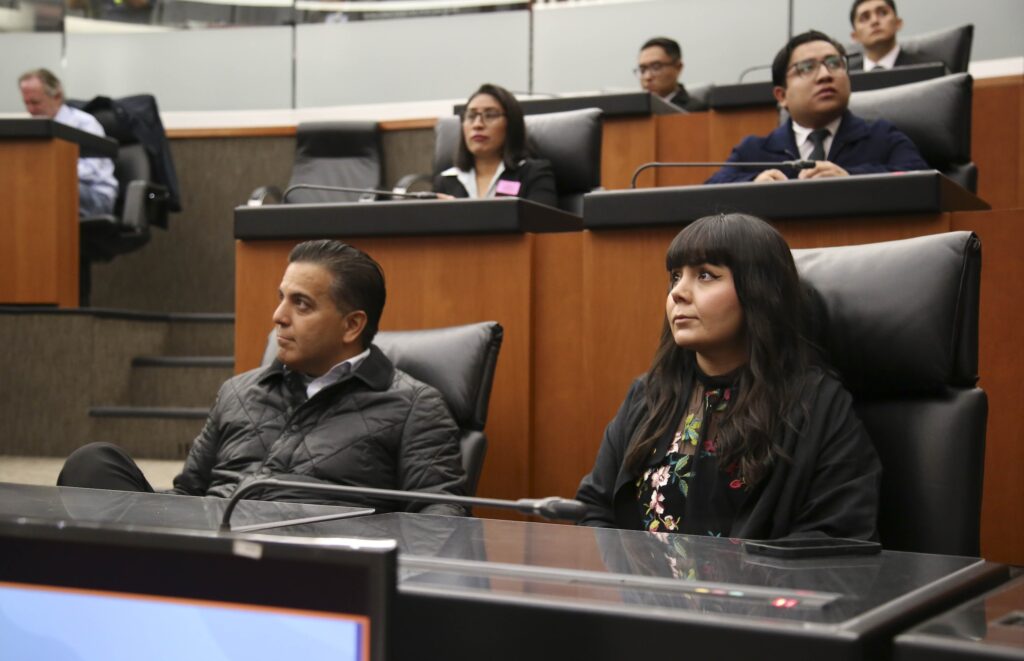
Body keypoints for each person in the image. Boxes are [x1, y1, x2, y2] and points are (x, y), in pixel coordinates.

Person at [58, 239, 468, 516]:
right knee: (93, 464)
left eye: (301, 304)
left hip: (306, 572)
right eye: (281, 298)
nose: (278, 316)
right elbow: (189, 494)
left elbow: (439, 523)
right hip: (204, 549)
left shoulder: (415, 406)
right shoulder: (238, 391)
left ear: (351, 325)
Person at [576, 213, 881, 540]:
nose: (678, 292)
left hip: (765, 590)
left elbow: (838, 537)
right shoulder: (649, 394)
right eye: (676, 277)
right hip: (640, 590)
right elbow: (595, 508)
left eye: (705, 275)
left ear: (758, 292)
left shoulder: (816, 403)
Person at [705, 30, 929, 184]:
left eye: (834, 64)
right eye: (807, 67)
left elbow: (924, 180)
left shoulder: (881, 136)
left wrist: (851, 178)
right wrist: (754, 182)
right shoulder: (754, 150)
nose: (825, 75)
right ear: (782, 96)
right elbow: (710, 190)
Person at [434, 83, 558, 207]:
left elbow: (543, 223)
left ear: (511, 124)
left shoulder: (533, 173)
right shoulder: (446, 180)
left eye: (490, 115)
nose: (477, 124)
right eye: (471, 116)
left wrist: (459, 213)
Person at [18, 68, 118, 217]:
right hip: (53, 188)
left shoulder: (85, 124)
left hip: (95, 197)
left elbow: (90, 171)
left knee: (45, 186)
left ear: (57, 96)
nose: (31, 109)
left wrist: (45, 173)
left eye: (35, 102)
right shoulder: (33, 129)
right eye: (26, 103)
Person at [848, 0, 927, 71]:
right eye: (865, 18)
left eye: (883, 13)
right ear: (855, 36)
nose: (874, 21)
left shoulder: (925, 69)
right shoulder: (847, 78)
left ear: (898, 23)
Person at [635, 37, 707, 112]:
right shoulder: (633, 110)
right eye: (642, 69)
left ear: (678, 67)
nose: (647, 77)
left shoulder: (697, 110)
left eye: (656, 67)